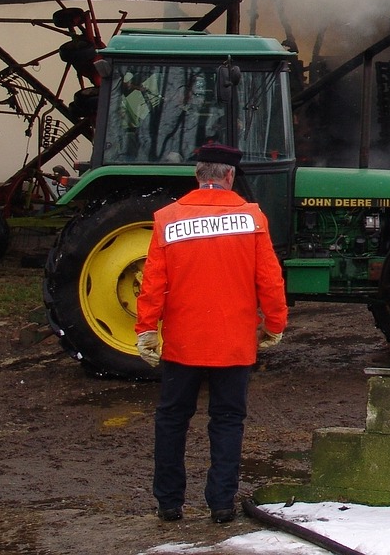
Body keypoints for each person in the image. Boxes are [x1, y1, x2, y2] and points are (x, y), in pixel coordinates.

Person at [134, 142, 288, 524]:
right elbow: (270, 281)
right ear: (230, 176)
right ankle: (221, 504)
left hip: (184, 343)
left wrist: (146, 330)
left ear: (197, 174)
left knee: (172, 419)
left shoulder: (168, 218)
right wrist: (274, 325)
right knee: (227, 420)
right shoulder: (253, 219)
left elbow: (153, 283)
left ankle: (169, 503)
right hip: (233, 344)